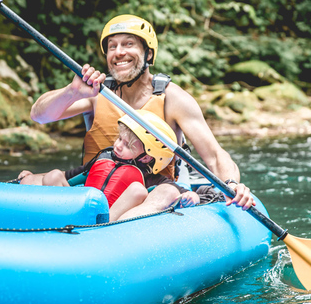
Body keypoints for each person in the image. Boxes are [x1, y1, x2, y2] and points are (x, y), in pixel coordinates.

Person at [18, 14, 254, 219]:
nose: (119, 52)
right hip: (95, 184)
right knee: (32, 180)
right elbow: (39, 115)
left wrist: (232, 184)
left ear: (148, 53)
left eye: (128, 44)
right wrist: (72, 92)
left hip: (148, 192)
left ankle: (107, 227)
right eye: (112, 46)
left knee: (167, 192)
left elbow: (214, 155)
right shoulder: (96, 93)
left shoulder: (174, 99)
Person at [19, 111, 205, 221]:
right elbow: (70, 176)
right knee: (53, 176)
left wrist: (191, 195)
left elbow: (174, 189)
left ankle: (104, 227)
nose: (118, 145)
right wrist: (31, 177)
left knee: (137, 190)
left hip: (111, 221)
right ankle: (57, 223)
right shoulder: (104, 159)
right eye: (119, 139)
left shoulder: (146, 176)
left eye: (127, 145)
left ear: (148, 158)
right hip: (78, 212)